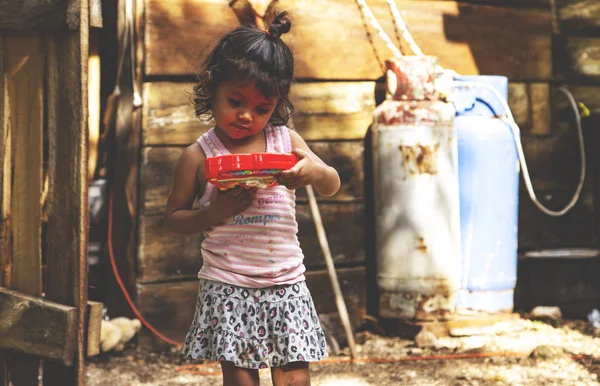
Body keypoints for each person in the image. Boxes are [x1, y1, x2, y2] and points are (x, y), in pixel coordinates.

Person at [165, 11, 341, 386]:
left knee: (295, 377)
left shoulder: (286, 142)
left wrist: (312, 172)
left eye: (262, 108)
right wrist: (212, 212)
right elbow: (174, 218)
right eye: (235, 101)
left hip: (285, 280)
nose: (247, 116)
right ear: (212, 86)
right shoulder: (198, 156)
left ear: (276, 104)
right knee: (242, 379)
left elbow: (332, 183)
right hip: (228, 282)